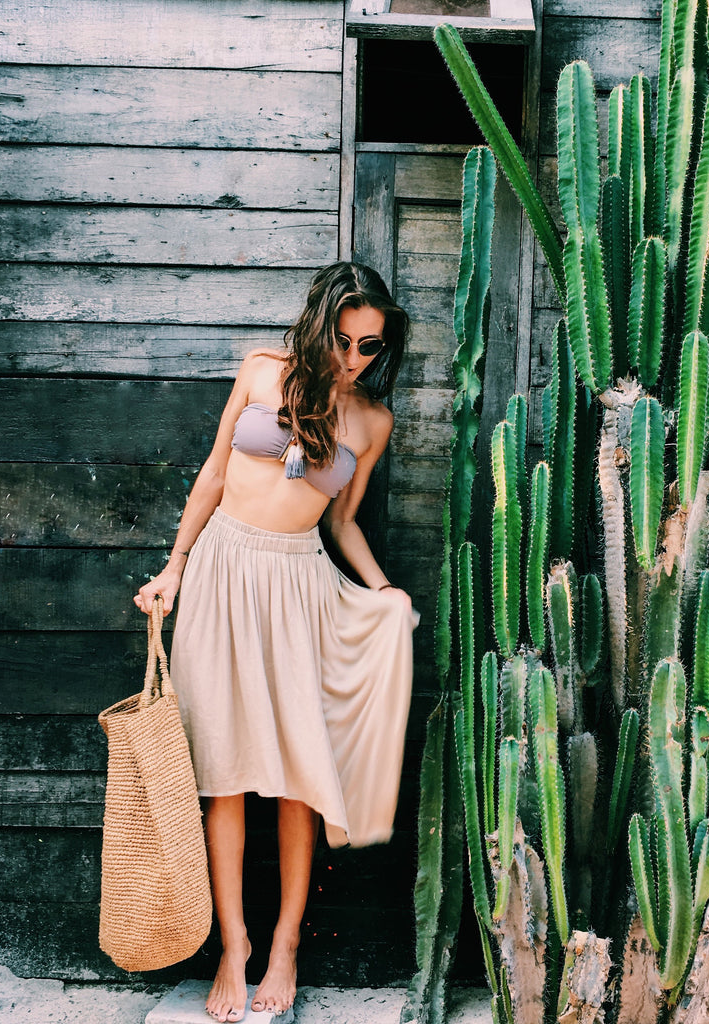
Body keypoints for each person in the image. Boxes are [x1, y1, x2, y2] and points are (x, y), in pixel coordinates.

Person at [133, 262, 415, 1022]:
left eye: (371, 348)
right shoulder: (262, 371)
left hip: (297, 589)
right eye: (347, 340)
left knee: (297, 776)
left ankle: (286, 942)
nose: (355, 359)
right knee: (221, 773)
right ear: (321, 321)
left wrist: (384, 590)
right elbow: (212, 478)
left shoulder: (370, 420)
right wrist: (174, 569)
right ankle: (236, 946)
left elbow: (342, 521)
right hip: (222, 571)